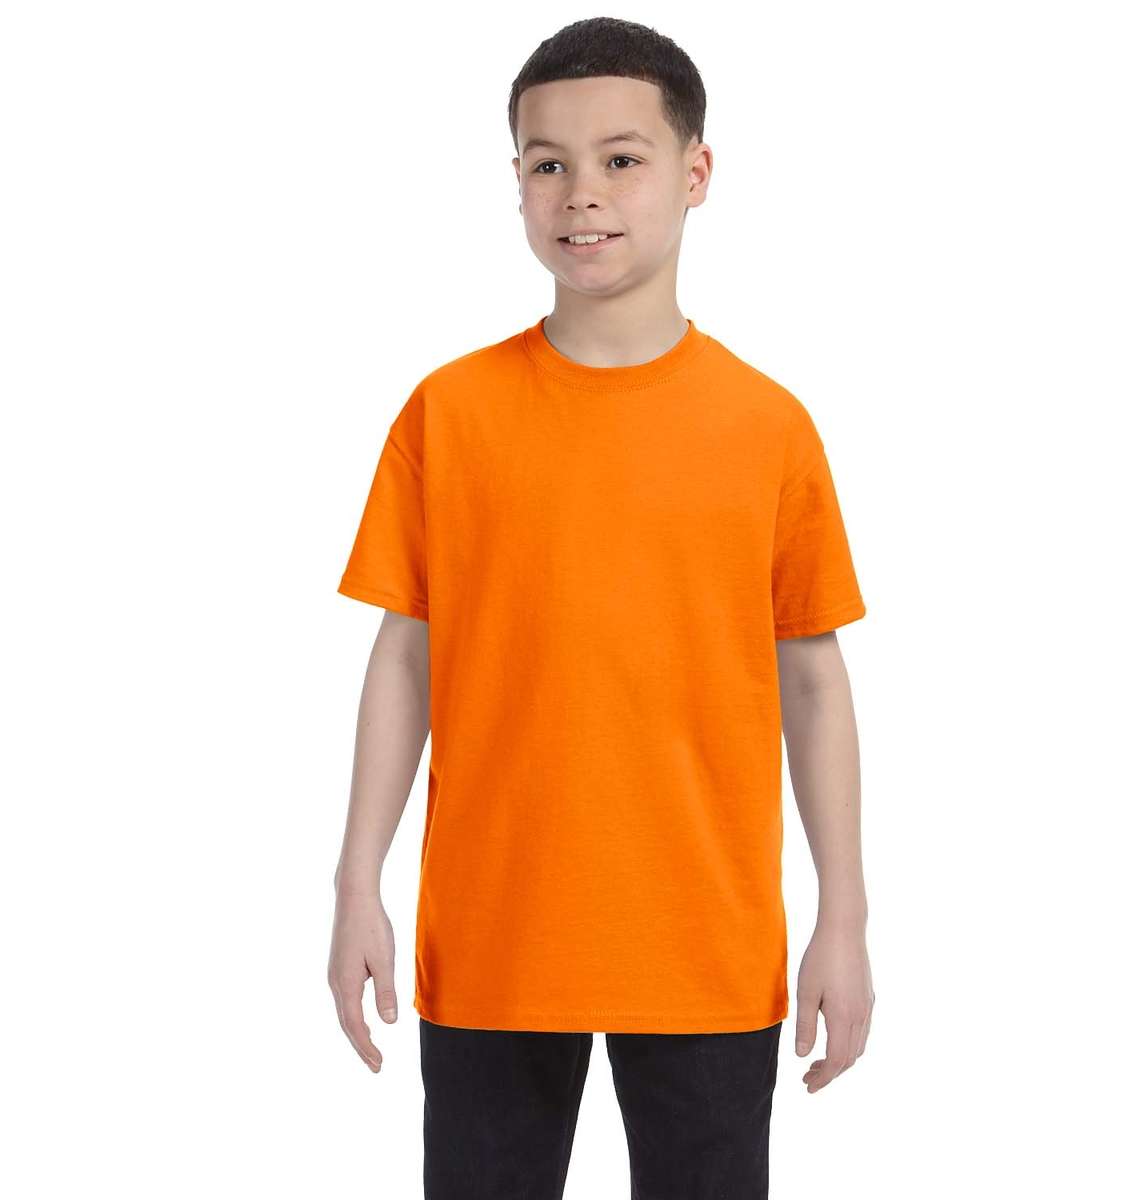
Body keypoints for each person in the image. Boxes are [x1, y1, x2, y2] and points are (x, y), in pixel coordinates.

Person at [328, 16, 874, 1199]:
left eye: (622, 159)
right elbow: (406, 655)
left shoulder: (768, 428)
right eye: (548, 162)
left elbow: (814, 677)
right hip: (495, 936)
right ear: (517, 180)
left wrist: (845, 917)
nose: (581, 193)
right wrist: (355, 882)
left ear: (696, 172)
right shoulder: (449, 414)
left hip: (705, 943)